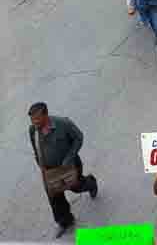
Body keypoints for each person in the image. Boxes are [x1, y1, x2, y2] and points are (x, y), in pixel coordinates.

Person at [28, 102, 99, 238]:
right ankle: (65, 221)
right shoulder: (33, 130)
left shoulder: (63, 124)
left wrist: (69, 158)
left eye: (37, 119)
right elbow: (35, 148)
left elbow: (79, 138)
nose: (34, 123)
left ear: (46, 115)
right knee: (54, 197)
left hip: (69, 166)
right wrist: (40, 163)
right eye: (32, 120)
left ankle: (90, 183)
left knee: (76, 187)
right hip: (49, 171)